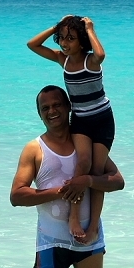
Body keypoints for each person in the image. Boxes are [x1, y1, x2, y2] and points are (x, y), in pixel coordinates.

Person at [10, 85, 125, 268]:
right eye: (45, 108)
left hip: (89, 237)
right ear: (39, 114)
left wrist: (87, 180)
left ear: (69, 107)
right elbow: (17, 196)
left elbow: (117, 181)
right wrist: (63, 191)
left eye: (57, 105)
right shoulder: (34, 149)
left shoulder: (86, 145)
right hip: (50, 241)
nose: (52, 111)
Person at [27, 16, 115, 245]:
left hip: (102, 119)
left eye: (71, 39)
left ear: (82, 41)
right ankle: (74, 217)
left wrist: (89, 28)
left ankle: (94, 225)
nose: (65, 43)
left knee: (95, 173)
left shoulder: (91, 62)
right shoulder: (62, 60)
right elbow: (32, 45)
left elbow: (101, 54)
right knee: (83, 162)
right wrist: (55, 26)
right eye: (62, 38)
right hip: (81, 120)